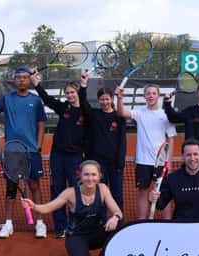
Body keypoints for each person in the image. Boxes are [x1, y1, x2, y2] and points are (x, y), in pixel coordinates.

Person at [0, 67, 48, 238]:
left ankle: (40, 223)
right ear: (14, 81)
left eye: (25, 78)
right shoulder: (7, 99)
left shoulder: (36, 100)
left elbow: (41, 124)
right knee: (11, 189)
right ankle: (8, 224)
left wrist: (38, 146)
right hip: (12, 150)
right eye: (18, 77)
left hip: (32, 150)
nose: (21, 80)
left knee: (34, 186)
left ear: (28, 80)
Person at [23, 160, 123, 256]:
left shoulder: (103, 189)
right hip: (77, 236)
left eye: (93, 174)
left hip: (97, 234)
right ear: (80, 176)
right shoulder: (70, 193)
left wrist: (115, 217)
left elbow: (117, 211)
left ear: (99, 176)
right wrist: (33, 206)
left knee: (119, 225)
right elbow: (48, 208)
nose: (90, 178)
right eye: (86, 174)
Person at [32, 71, 87, 238]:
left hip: (76, 158)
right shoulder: (64, 108)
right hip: (57, 156)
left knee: (77, 192)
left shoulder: (85, 111)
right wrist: (36, 83)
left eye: (72, 92)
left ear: (78, 93)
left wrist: (84, 83)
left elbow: (83, 99)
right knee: (57, 190)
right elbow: (47, 99)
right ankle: (60, 227)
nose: (70, 95)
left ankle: (75, 225)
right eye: (67, 93)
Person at [115, 84, 176, 220]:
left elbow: (171, 139)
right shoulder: (140, 113)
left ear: (158, 96)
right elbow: (122, 113)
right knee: (142, 193)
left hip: (161, 162)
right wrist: (119, 98)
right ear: (144, 96)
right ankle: (142, 223)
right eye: (148, 93)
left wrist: (169, 162)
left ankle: (168, 224)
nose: (151, 96)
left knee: (163, 194)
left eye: (154, 93)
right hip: (143, 161)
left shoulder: (165, 115)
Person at [80, 73, 126, 212]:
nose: (104, 102)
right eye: (102, 99)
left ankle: (119, 223)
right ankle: (99, 224)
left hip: (114, 164)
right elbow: (83, 102)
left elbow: (122, 141)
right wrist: (83, 84)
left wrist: (120, 163)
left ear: (112, 99)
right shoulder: (94, 115)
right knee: (99, 195)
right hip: (97, 165)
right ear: (98, 100)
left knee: (117, 195)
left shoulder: (119, 117)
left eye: (107, 99)